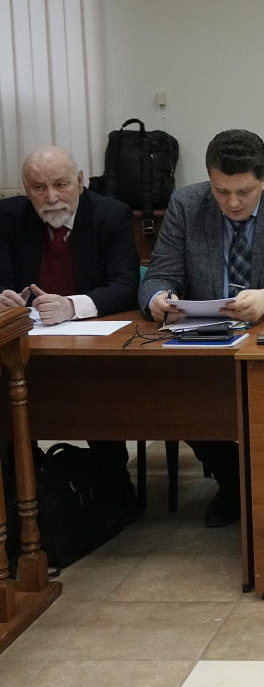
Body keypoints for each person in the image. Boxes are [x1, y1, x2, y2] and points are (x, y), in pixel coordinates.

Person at [139, 129, 264, 526]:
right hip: (202, 338)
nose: (232, 202)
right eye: (221, 191)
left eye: (244, 191)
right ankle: (234, 484)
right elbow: (158, 275)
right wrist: (158, 299)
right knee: (183, 396)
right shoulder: (187, 204)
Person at [1, 145, 140, 507]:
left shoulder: (112, 215)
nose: (51, 198)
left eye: (60, 184)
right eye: (38, 188)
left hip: (92, 345)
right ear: (25, 189)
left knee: (97, 392)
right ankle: (24, 492)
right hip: (26, 346)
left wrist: (72, 306)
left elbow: (126, 286)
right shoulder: (9, 217)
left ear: (79, 181)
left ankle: (111, 489)